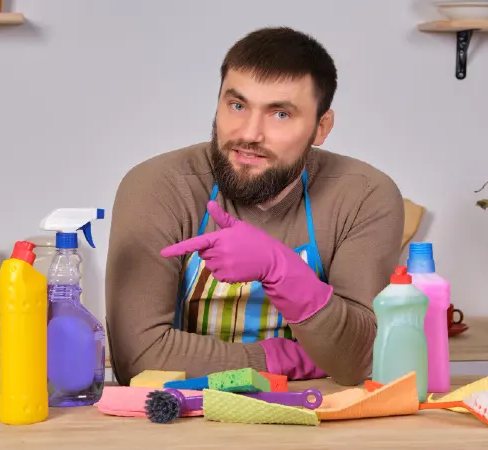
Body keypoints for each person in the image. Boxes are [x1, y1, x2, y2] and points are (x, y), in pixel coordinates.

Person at [105, 26, 404, 387]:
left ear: (321, 127)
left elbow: (357, 359)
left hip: (316, 421)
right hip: (178, 424)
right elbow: (138, 360)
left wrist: (282, 272)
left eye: (280, 114)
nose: (249, 134)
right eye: (237, 105)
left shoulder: (363, 195)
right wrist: (284, 358)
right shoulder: (159, 186)